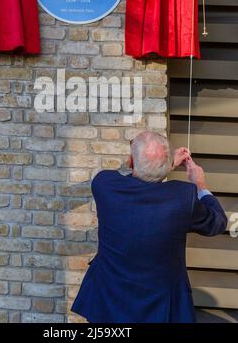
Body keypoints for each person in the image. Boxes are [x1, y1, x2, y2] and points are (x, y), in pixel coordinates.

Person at [71, 131, 227, 323]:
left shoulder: (105, 185)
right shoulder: (182, 197)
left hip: (108, 302)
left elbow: (135, 179)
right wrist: (200, 185)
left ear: (130, 161)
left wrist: (163, 165)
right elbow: (218, 222)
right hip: (159, 309)